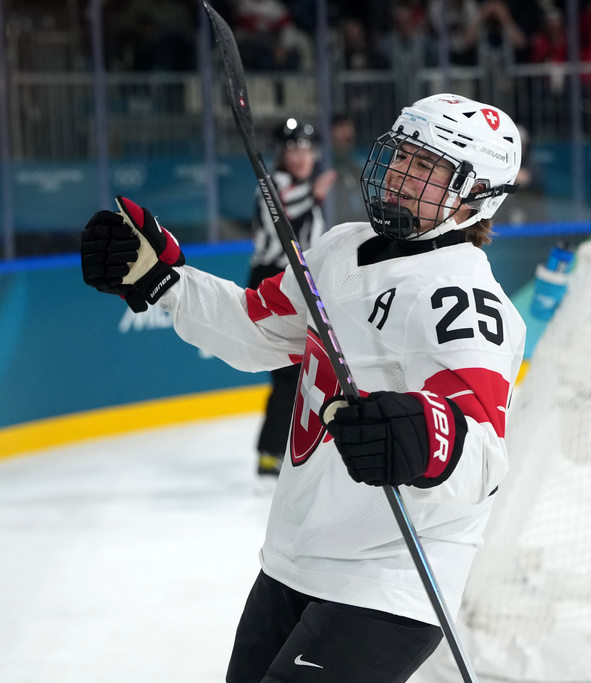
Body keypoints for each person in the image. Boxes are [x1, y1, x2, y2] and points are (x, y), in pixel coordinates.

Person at [80, 93, 526, 682]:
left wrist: (429, 438)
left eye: (426, 169)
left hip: (389, 577)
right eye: (401, 157)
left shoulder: (461, 301)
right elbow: (255, 330)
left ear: (476, 198)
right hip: (295, 557)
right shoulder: (342, 246)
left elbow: (484, 458)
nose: (400, 176)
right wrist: (164, 281)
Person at [248, 117, 336, 477]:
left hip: (300, 284)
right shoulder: (275, 186)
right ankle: (271, 452)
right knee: (289, 373)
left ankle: (290, 447)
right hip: (275, 282)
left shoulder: (300, 187)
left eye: (307, 149)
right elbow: (283, 222)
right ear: (281, 154)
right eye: (294, 148)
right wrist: (315, 193)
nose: (302, 156)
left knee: (306, 371)